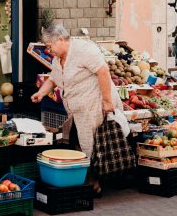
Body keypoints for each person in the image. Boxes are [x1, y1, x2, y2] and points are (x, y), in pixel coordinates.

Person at [31, 23, 123, 193]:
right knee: (78, 143)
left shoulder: (84, 50)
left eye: (50, 47)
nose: (49, 51)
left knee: (94, 143)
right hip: (75, 110)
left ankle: (94, 182)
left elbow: (103, 72)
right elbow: (53, 78)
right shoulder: (59, 58)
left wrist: (107, 101)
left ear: (60, 40)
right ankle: (83, 179)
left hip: (93, 106)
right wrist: (41, 92)